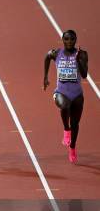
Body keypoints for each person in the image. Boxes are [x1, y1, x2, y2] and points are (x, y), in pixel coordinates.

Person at [43, 30, 87, 164]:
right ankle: (66, 129)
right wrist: (45, 77)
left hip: (77, 94)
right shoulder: (56, 53)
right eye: (66, 39)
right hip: (61, 92)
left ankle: (72, 147)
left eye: (72, 39)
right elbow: (47, 57)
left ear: (75, 40)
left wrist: (79, 60)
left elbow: (84, 75)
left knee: (75, 124)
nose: (69, 42)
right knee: (64, 105)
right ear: (62, 40)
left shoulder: (82, 54)